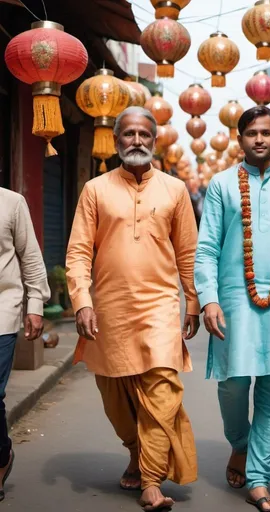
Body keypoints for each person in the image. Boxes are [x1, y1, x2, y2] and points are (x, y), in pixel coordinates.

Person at [66, 106, 200, 511]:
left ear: (155, 140)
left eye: (144, 134)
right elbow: (77, 252)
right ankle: (135, 450)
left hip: (159, 307)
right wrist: (81, 301)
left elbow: (188, 252)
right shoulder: (95, 189)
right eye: (128, 134)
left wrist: (191, 301)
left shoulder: (174, 190)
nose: (137, 141)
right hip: (108, 311)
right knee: (116, 397)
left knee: (162, 392)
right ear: (117, 140)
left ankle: (151, 481)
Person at [194, 106, 270, 512]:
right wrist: (208, 299)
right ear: (240, 138)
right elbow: (207, 246)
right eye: (251, 132)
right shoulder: (222, 185)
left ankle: (258, 478)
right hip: (232, 298)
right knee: (232, 382)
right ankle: (241, 444)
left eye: (266, 132)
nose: (259, 139)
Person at [0, 188, 50, 501]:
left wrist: (35, 306)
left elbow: (30, 257)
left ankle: (0, 458)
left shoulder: (11, 202)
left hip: (2, 312)